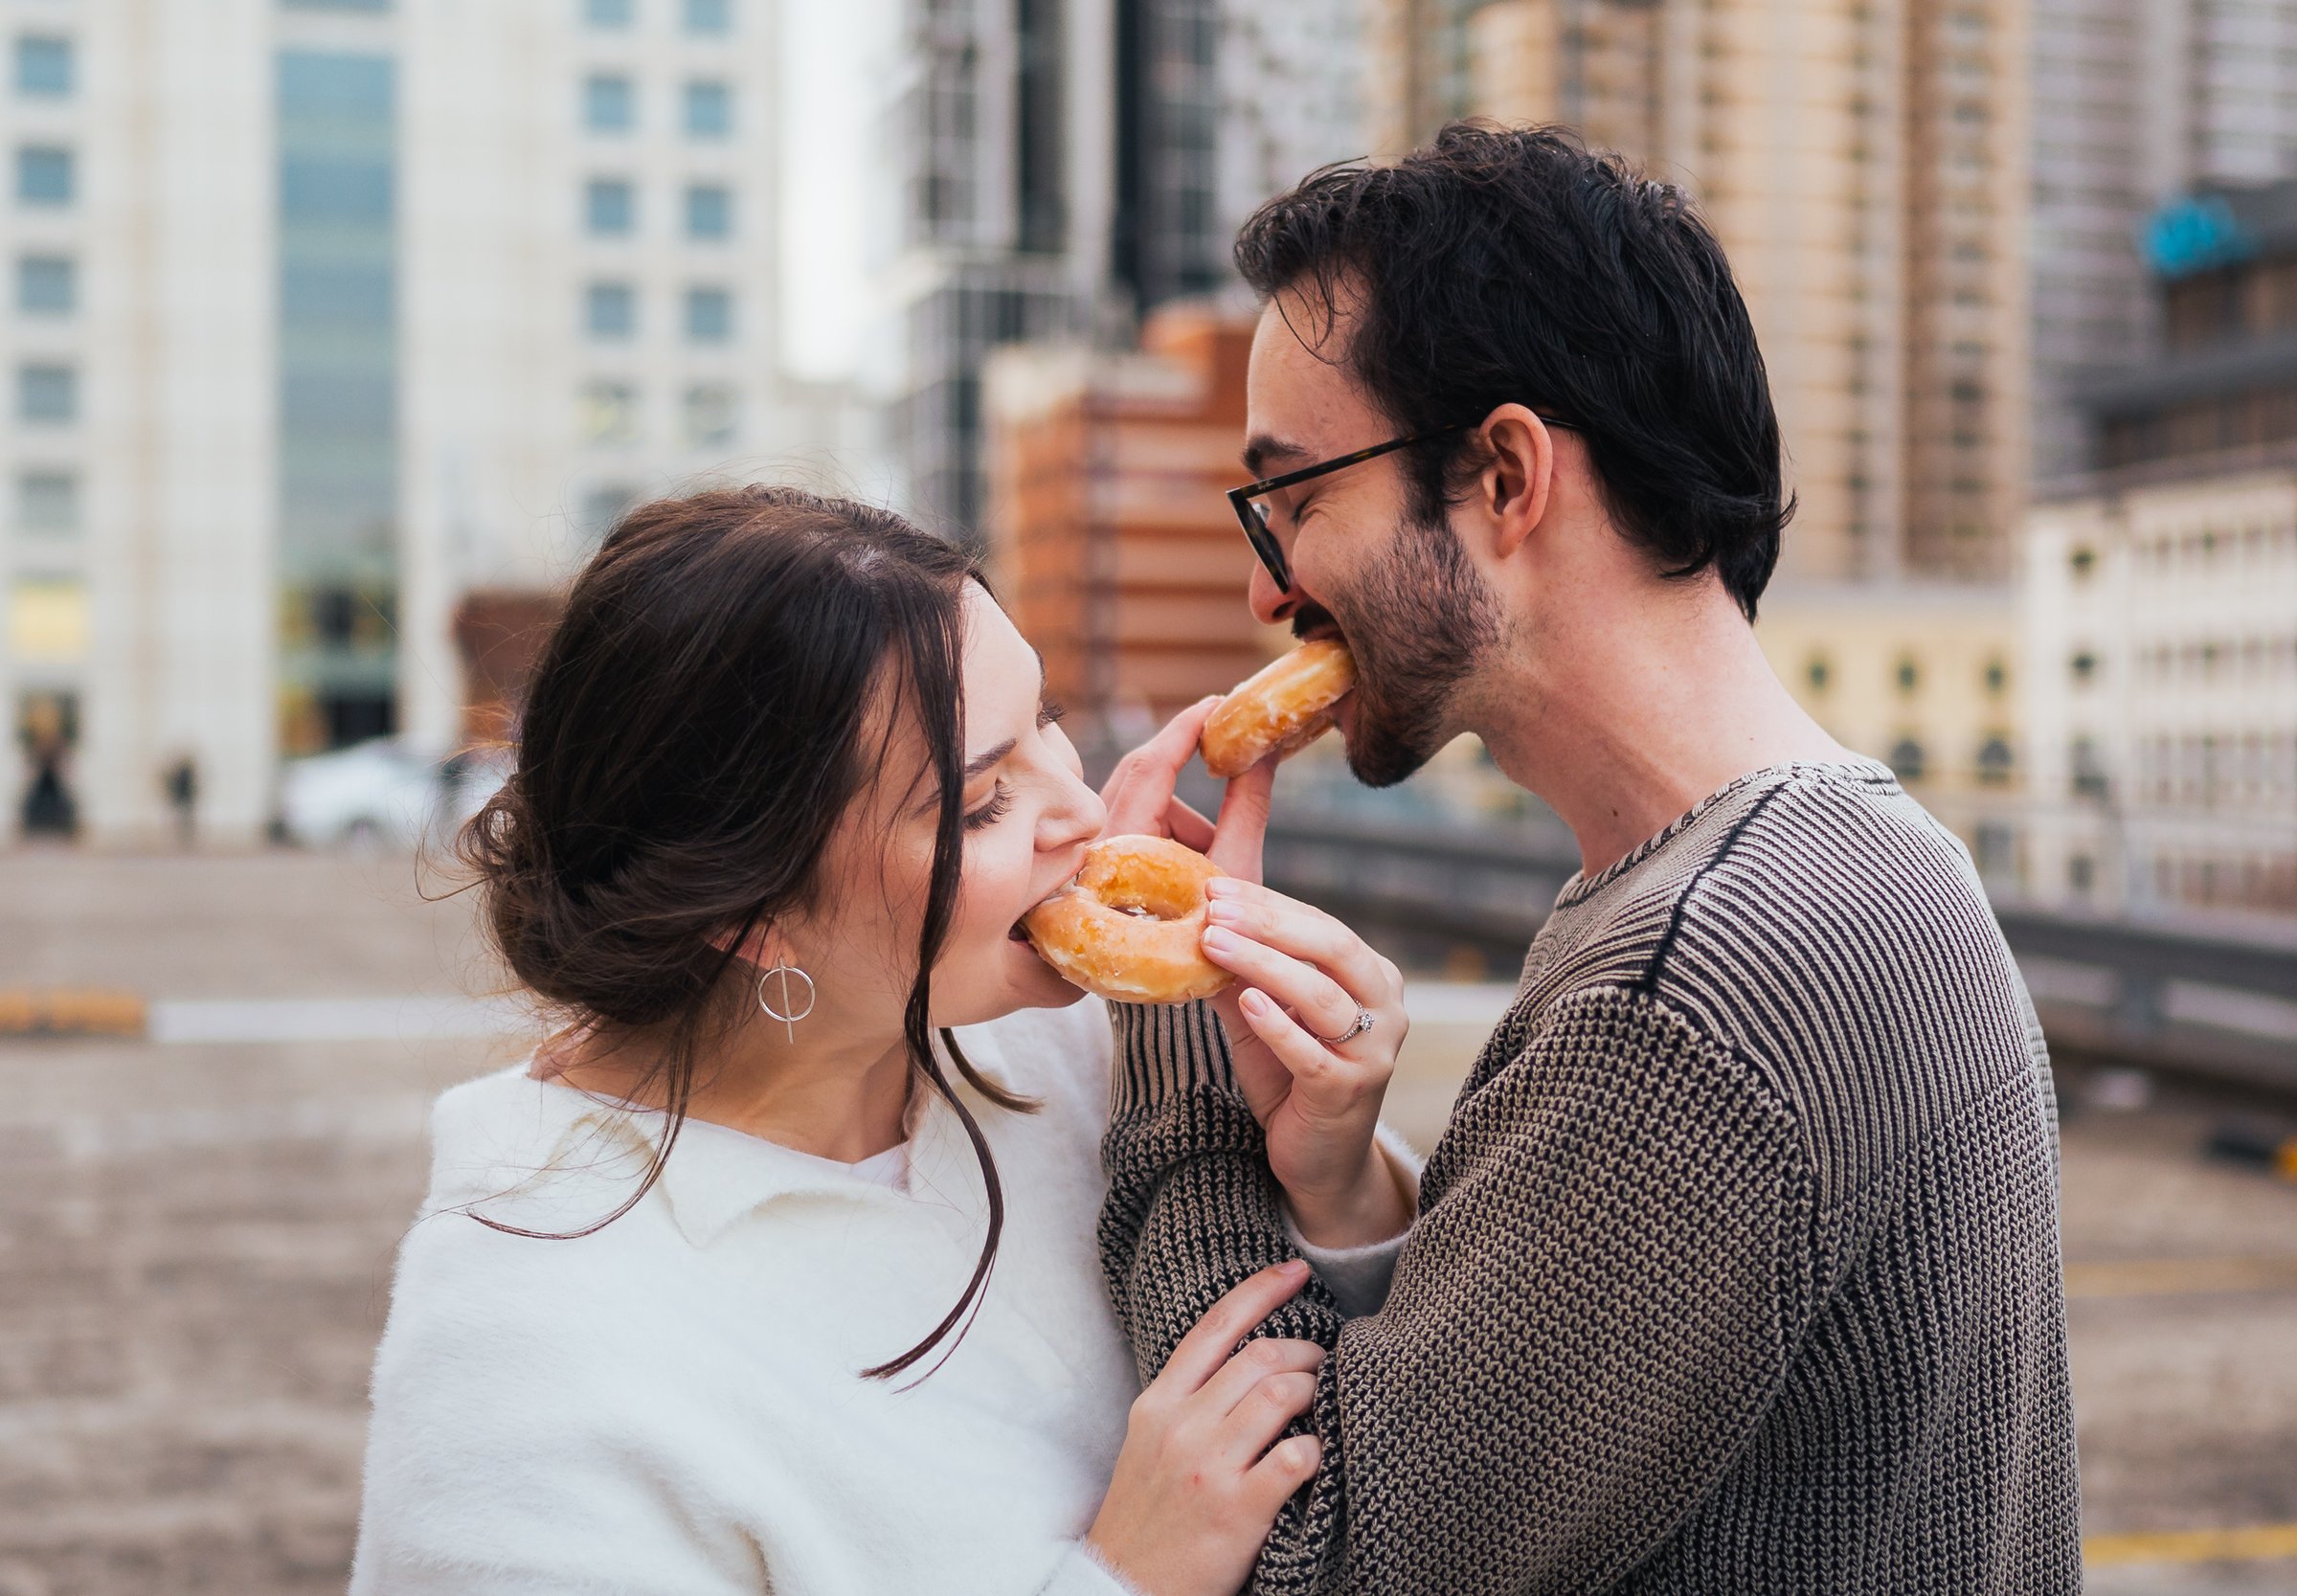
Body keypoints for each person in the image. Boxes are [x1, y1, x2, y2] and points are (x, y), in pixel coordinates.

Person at [1092, 124, 2083, 1593]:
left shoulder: (1713, 974)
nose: (1263, 585)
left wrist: (1169, 1026)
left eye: (1297, 501)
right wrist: (1341, 1181)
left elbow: (1319, 1558)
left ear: (1503, 476)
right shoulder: (1839, 858)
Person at [348, 487, 1424, 1596]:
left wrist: (1331, 1176)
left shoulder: (1071, 1059)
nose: (1082, 813)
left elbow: (1391, 1434)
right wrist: (1125, 1577)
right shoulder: (524, 1362)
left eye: (1047, 720)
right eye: (979, 803)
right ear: (753, 912)